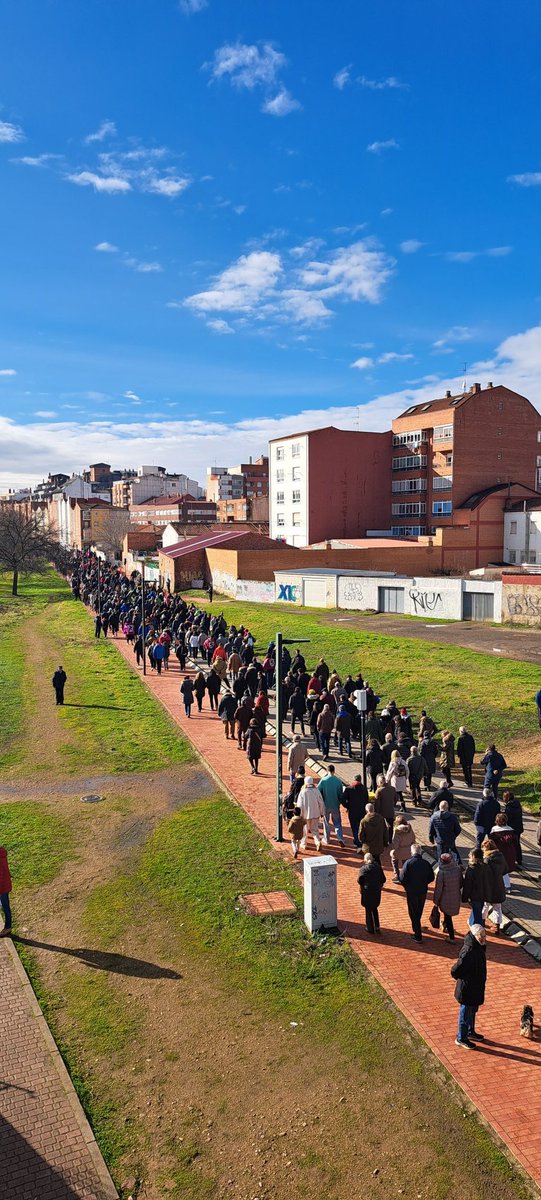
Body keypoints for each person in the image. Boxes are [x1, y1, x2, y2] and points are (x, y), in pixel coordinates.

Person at [450, 924, 487, 1049]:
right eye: (482, 936)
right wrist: (458, 977)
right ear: (475, 935)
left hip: (476, 986)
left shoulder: (478, 946)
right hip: (467, 988)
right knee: (465, 1013)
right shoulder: (469, 950)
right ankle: (461, 1038)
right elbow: (457, 969)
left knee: (472, 1010)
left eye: (484, 936)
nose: (484, 938)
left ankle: (470, 1032)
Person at [399, 844, 435, 943]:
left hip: (412, 892)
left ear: (412, 852)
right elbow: (431, 877)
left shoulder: (408, 863)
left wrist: (407, 886)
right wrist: (424, 882)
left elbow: (402, 879)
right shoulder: (426, 863)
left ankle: (417, 934)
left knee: (413, 912)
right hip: (423, 891)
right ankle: (417, 926)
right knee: (419, 910)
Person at [433, 852, 462, 941]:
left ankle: (451, 937)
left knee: (448, 916)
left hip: (445, 898)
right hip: (455, 896)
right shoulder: (457, 869)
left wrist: (435, 900)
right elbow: (461, 883)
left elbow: (439, 889)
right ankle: (445, 925)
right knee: (448, 915)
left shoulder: (442, 872)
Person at [481, 837, 507, 934]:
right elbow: (505, 870)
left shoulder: (486, 860)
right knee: (498, 907)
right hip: (499, 885)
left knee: (485, 905)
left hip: (488, 886)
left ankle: (482, 922)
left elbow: (483, 874)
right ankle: (497, 927)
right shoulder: (501, 857)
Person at [358, 853, 385, 935]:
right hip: (376, 891)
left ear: (365, 860)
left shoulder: (363, 869)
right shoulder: (378, 867)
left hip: (367, 892)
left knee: (368, 910)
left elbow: (360, 880)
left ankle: (370, 928)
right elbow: (383, 879)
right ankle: (377, 926)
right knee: (374, 908)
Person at [318, 765, 345, 847]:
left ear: (327, 771)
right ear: (334, 771)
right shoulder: (338, 781)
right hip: (335, 805)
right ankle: (340, 837)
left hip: (326, 805)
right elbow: (341, 795)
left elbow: (318, 792)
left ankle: (327, 839)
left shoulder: (323, 780)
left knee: (326, 822)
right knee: (337, 822)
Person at [462, 848, 488, 927]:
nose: (468, 856)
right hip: (483, 893)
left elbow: (467, 885)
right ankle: (472, 923)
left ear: (474, 857)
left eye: (470, 855)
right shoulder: (485, 867)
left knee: (477, 914)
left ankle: (477, 930)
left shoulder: (471, 870)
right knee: (478, 910)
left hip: (475, 895)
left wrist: (464, 897)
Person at [299, 776, 325, 851]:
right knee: (315, 830)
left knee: (305, 830)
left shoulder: (303, 791)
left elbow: (300, 804)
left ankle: (304, 844)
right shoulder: (316, 791)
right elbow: (321, 802)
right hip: (315, 814)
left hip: (305, 815)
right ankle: (317, 842)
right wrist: (322, 812)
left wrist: (300, 814)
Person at [489, 812, 517, 883]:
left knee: (498, 869)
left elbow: (490, 843)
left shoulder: (494, 831)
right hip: (510, 852)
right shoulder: (511, 831)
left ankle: (503, 884)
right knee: (506, 869)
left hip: (498, 853)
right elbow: (516, 843)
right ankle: (507, 884)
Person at [342, 775, 368, 849]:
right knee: (362, 827)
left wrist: (348, 806)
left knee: (354, 827)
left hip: (352, 811)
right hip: (362, 811)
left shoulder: (349, 788)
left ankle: (357, 842)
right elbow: (366, 800)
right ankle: (361, 841)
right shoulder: (364, 788)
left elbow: (343, 800)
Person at [390, 814, 415, 883]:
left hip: (398, 851)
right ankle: (405, 876)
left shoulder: (397, 832)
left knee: (394, 861)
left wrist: (391, 849)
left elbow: (395, 845)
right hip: (408, 851)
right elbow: (413, 839)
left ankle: (397, 876)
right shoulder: (410, 829)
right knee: (405, 864)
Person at [503, 789, 524, 867]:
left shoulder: (509, 808)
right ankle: (519, 859)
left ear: (507, 798)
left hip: (511, 829)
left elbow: (508, 819)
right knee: (517, 843)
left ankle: (510, 860)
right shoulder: (517, 805)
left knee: (510, 845)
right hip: (518, 828)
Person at [374, 773, 396, 843]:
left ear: (379, 782)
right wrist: (392, 805)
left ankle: (384, 840)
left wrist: (376, 813)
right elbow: (396, 799)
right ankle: (390, 840)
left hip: (381, 812)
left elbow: (377, 804)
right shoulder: (392, 789)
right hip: (390, 810)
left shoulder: (379, 791)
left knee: (381, 827)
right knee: (390, 826)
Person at [0, 846, 12, 937]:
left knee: (5, 907)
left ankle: (8, 927)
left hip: (2, 887)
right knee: (5, 906)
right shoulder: (2, 853)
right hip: (5, 884)